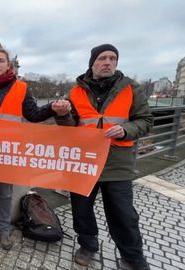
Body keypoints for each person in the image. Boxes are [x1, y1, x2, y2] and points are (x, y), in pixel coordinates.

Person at [55, 44, 152, 270]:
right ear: (92, 63)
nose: (108, 62)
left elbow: (146, 121)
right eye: (102, 58)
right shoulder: (76, 91)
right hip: (84, 161)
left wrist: (126, 130)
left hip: (117, 163)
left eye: (112, 58)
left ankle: (133, 257)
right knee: (82, 209)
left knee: (123, 214)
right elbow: (70, 127)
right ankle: (88, 245)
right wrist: (62, 115)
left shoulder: (130, 88)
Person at [0, 48, 70, 250]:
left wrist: (52, 109)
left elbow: (33, 114)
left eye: (1, 60)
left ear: (8, 65)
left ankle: (4, 232)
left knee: (5, 195)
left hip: (9, 153)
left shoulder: (21, 87)